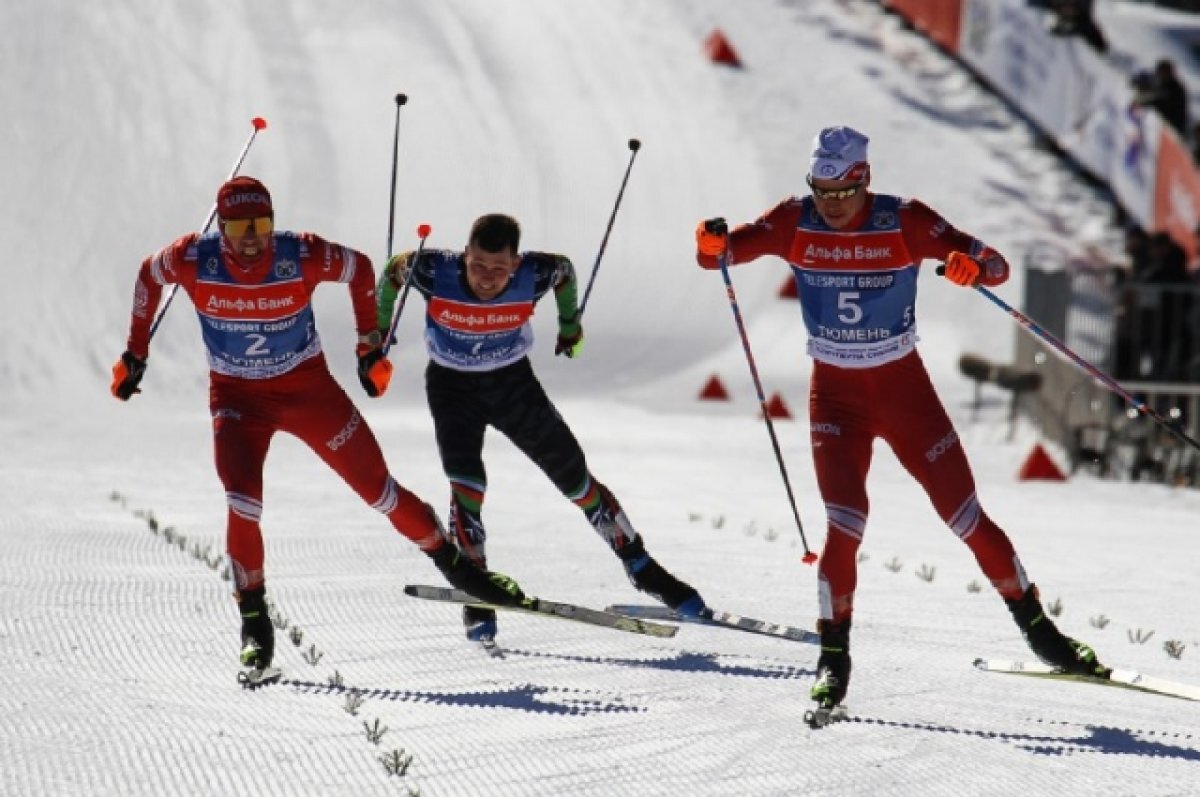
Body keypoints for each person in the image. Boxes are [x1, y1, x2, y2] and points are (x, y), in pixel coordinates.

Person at [693, 126, 1108, 711]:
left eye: (841, 194)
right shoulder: (795, 220)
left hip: (904, 392)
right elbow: (725, 252)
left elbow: (995, 265)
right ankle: (833, 660)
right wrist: (711, 246)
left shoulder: (905, 221)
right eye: (821, 194)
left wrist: (972, 268)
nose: (830, 207)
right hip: (834, 398)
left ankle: (1042, 633)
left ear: (865, 178)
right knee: (844, 525)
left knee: (966, 519)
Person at [111, 176, 523, 672]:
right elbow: (147, 274)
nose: (252, 237)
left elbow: (359, 268)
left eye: (262, 224)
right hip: (239, 399)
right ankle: (255, 624)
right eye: (240, 225)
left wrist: (368, 345)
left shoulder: (299, 254)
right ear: (221, 226)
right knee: (243, 503)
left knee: (380, 492)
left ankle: (459, 570)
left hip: (309, 391)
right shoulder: (193, 258)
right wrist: (135, 351)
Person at [376, 213, 706, 642]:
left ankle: (642, 567)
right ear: (465, 254)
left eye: (498, 268)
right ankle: (478, 592)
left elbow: (564, 272)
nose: (487, 278)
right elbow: (390, 273)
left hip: (512, 383)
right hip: (451, 386)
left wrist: (571, 326)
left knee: (574, 479)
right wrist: (375, 332)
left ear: (515, 263)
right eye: (477, 265)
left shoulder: (535, 273)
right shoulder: (434, 269)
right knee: (466, 487)